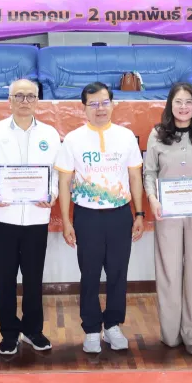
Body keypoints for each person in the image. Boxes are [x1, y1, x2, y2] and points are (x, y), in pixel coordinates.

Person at [56, 82, 145, 354]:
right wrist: (66, 221)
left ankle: (114, 325)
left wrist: (139, 213)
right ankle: (92, 329)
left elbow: (135, 177)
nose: (100, 108)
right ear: (83, 108)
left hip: (120, 215)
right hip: (87, 217)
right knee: (90, 274)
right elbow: (64, 183)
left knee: (118, 272)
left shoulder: (126, 137)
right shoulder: (73, 140)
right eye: (93, 104)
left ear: (113, 104)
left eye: (105, 102)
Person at [0, 79, 61, 355]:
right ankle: (9, 333)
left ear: (38, 100)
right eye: (19, 96)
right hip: (4, 215)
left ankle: (33, 330)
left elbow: (56, 172)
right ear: (9, 100)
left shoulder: (50, 133)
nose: (25, 101)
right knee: (6, 278)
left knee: (34, 277)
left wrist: (52, 193)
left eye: (31, 96)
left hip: (37, 216)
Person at [144, 82, 192, 354]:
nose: (184, 107)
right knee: (169, 271)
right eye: (178, 102)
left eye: (189, 101)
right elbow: (149, 172)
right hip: (168, 213)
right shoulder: (157, 135)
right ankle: (171, 333)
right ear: (170, 105)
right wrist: (153, 199)